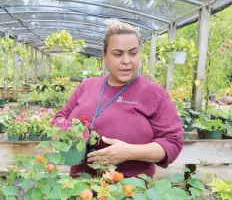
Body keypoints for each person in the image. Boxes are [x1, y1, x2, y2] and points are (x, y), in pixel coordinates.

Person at [53, 21, 183, 178]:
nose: (127, 60)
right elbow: (60, 118)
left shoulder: (154, 93)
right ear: (105, 57)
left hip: (127, 190)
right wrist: (64, 134)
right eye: (118, 54)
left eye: (133, 53)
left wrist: (129, 152)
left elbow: (172, 143)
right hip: (79, 188)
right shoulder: (87, 86)